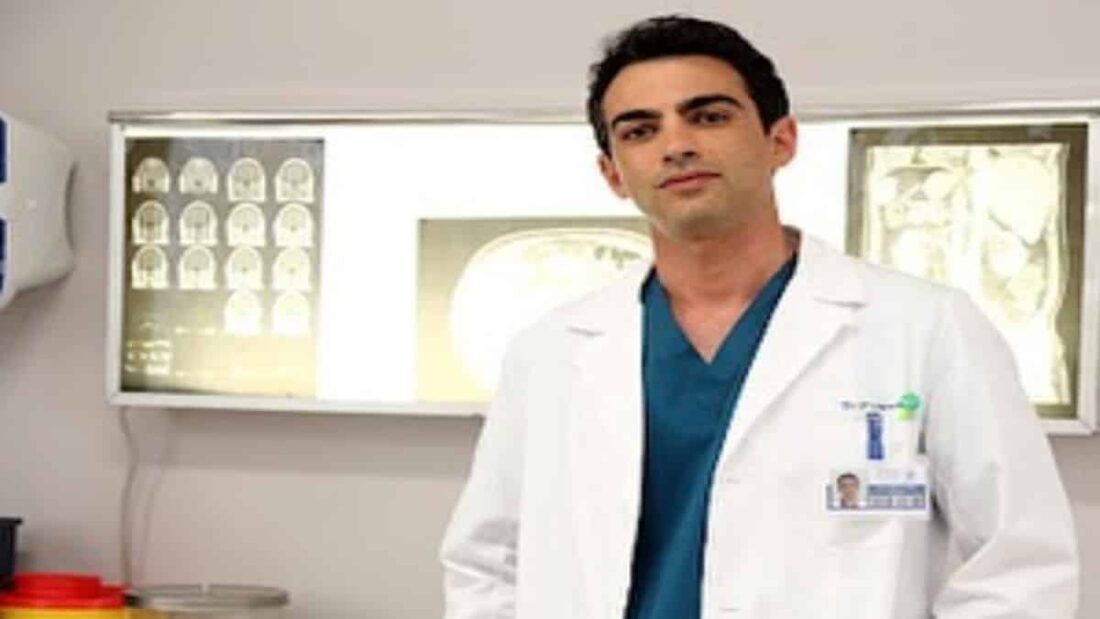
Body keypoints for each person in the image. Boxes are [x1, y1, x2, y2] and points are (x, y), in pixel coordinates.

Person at [440, 14, 1078, 619]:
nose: (677, 145)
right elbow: (487, 563)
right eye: (640, 131)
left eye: (709, 116)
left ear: (781, 140)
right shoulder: (551, 349)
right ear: (613, 174)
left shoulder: (926, 327)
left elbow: (1019, 567)